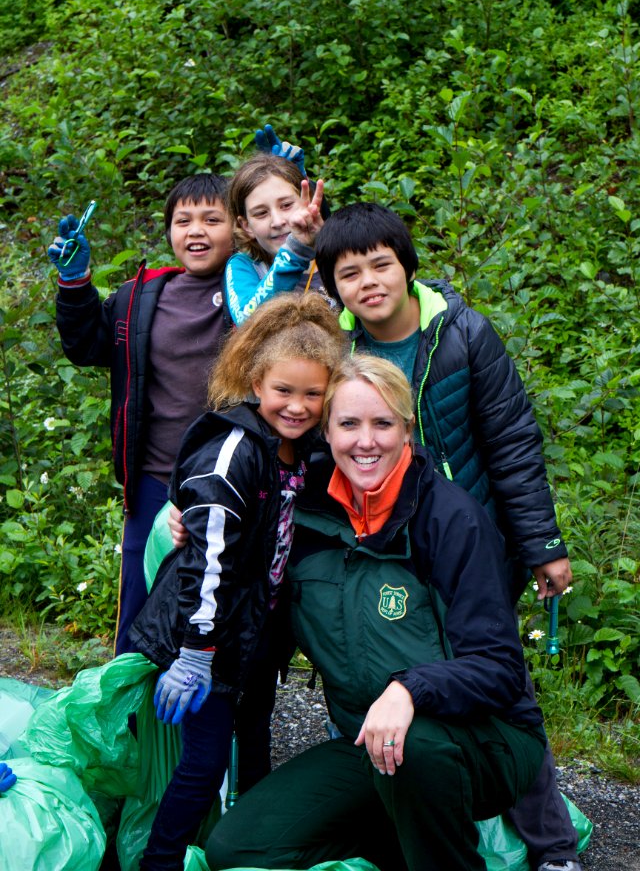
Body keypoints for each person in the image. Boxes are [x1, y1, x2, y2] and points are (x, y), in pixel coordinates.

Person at [313, 201, 580, 871]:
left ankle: (553, 846)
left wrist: (542, 545)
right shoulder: (334, 347)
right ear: (332, 285)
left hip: (472, 541)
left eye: (382, 264)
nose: (370, 281)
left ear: (407, 266)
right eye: (350, 273)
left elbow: (513, 444)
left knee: (496, 680)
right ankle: (393, 815)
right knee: (375, 671)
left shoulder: (462, 334)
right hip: (381, 547)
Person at [205, 355, 547, 871]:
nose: (366, 441)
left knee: (416, 749)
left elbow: (499, 668)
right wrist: (190, 515)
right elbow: (238, 553)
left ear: (407, 429)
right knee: (240, 848)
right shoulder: (306, 515)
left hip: (484, 742)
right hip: (369, 744)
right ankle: (400, 846)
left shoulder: (451, 519)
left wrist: (410, 688)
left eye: (383, 423)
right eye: (348, 424)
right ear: (327, 432)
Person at [127, 292, 346, 871]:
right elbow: (207, 562)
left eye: (312, 394)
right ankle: (161, 860)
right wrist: (197, 651)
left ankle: (252, 848)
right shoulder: (233, 452)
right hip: (207, 640)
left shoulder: (307, 450)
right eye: (283, 391)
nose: (297, 406)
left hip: (255, 638)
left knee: (255, 743)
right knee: (202, 763)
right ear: (255, 380)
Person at [48, 173, 236, 654]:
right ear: (169, 230)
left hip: (228, 484)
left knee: (214, 611)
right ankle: (129, 724)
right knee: (137, 611)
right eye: (183, 220)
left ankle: (217, 727)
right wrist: (74, 284)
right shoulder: (142, 295)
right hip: (152, 481)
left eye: (212, 219)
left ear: (238, 227)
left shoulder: (250, 296)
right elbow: (88, 345)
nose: (196, 230)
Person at [223, 152, 329, 326]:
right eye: (261, 213)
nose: (278, 221)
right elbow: (246, 322)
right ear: (246, 225)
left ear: (306, 201)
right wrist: (294, 253)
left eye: (286, 205)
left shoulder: (334, 256)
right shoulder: (245, 266)